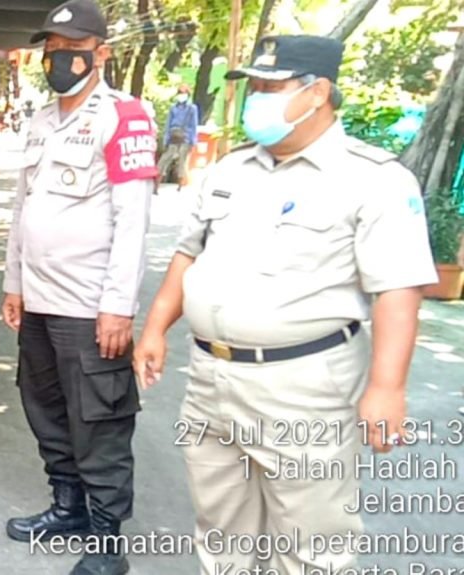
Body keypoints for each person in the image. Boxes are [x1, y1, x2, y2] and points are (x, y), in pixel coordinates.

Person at [133, 35, 437, 574]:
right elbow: (188, 255)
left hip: (305, 386)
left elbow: (398, 288)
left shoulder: (374, 180)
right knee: (221, 529)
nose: (256, 99)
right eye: (253, 86)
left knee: (310, 541)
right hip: (212, 377)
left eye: (270, 88)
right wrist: (155, 328)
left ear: (317, 93)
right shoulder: (230, 170)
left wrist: (387, 387)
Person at [0, 1, 157, 573]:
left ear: (101, 54)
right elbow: (23, 209)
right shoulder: (42, 120)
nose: (59, 60)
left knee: (99, 422)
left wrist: (118, 307)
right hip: (39, 301)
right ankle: (67, 507)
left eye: (72, 50)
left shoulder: (125, 116)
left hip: (89, 307)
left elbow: (132, 219)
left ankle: (107, 541)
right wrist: (14, 282)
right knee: (45, 407)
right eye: (52, 50)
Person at [156, 84, 198, 190]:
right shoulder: (173, 108)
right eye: (180, 92)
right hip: (173, 136)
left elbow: (194, 125)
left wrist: (193, 141)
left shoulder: (191, 108)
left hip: (186, 137)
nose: (181, 95)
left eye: (183, 93)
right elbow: (168, 124)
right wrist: (166, 139)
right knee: (164, 159)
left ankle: (180, 184)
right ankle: (157, 183)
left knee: (182, 161)